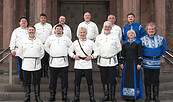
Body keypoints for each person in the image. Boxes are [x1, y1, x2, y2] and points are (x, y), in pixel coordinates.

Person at [68, 27, 98, 102]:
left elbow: (97, 51)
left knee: (89, 82)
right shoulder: (75, 42)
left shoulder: (91, 42)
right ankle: (76, 97)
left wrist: (91, 57)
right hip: (78, 64)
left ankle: (92, 97)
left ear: (86, 33)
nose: (82, 34)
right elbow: (70, 51)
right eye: (81, 32)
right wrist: (74, 56)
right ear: (79, 33)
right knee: (77, 82)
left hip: (88, 64)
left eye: (84, 32)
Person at [95, 21, 122, 102]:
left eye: (108, 27)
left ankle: (113, 97)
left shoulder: (115, 37)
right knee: (104, 79)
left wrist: (111, 53)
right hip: (102, 61)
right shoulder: (99, 37)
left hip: (112, 62)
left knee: (112, 80)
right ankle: (106, 96)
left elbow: (119, 48)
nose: (107, 28)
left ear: (111, 28)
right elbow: (95, 48)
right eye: (105, 27)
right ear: (103, 27)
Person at [44, 24, 72, 102]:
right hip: (53, 63)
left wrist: (67, 52)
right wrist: (51, 53)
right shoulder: (50, 38)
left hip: (63, 63)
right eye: (57, 29)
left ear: (62, 30)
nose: (58, 30)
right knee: (53, 81)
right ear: (55, 30)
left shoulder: (66, 38)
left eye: (60, 29)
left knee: (64, 81)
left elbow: (71, 47)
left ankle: (64, 96)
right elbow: (46, 46)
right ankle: (52, 96)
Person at [141, 22, 166, 102]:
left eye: (152, 29)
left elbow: (163, 49)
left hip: (156, 63)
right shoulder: (142, 39)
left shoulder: (161, 38)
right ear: (147, 30)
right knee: (147, 80)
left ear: (155, 30)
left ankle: (156, 97)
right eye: (149, 29)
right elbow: (140, 50)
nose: (151, 30)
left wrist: (157, 55)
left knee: (156, 80)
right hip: (146, 63)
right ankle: (148, 96)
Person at [18, 26, 44, 102]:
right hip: (26, 64)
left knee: (37, 81)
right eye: (30, 30)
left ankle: (37, 97)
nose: (31, 31)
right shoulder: (23, 41)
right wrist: (26, 58)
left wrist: (37, 58)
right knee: (27, 81)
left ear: (35, 31)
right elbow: (20, 52)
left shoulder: (39, 41)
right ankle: (27, 96)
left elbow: (42, 52)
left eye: (33, 30)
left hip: (37, 64)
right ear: (27, 31)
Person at [120, 30, 143, 101]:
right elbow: (122, 54)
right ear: (127, 35)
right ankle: (127, 96)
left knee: (134, 79)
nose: (131, 34)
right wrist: (121, 62)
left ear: (135, 34)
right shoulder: (125, 43)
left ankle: (134, 96)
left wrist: (139, 63)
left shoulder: (138, 43)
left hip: (134, 64)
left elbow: (140, 54)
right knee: (127, 79)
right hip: (127, 64)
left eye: (132, 33)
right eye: (129, 33)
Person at [9, 16, 28, 85]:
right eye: (22, 21)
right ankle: (22, 79)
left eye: (25, 21)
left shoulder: (30, 30)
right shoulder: (16, 31)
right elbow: (12, 40)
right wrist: (12, 49)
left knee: (28, 66)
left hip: (28, 52)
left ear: (27, 23)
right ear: (20, 23)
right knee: (21, 66)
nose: (23, 22)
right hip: (19, 51)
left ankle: (27, 79)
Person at [34, 13, 52, 78]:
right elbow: (35, 35)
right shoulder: (36, 26)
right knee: (40, 59)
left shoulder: (49, 26)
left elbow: (51, 35)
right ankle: (40, 73)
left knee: (46, 60)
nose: (43, 19)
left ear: (46, 19)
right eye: (42, 18)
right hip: (39, 45)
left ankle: (46, 73)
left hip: (46, 45)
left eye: (44, 18)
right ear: (40, 18)